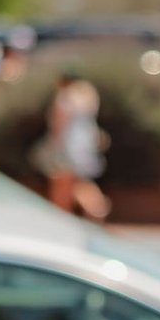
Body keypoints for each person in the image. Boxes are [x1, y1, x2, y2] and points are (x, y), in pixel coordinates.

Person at [38, 68, 110, 219]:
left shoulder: (65, 96)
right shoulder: (87, 96)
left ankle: (61, 215)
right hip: (84, 144)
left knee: (61, 180)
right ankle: (96, 208)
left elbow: (60, 120)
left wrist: (55, 144)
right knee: (78, 180)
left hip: (67, 144)